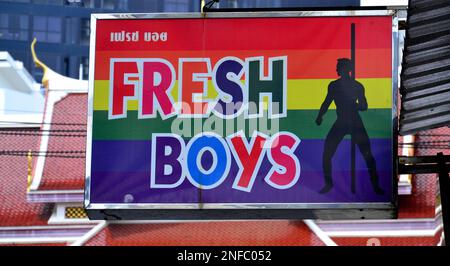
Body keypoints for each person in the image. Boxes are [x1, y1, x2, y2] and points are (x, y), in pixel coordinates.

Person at [315, 58, 384, 195]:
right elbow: (326, 102)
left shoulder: (357, 86)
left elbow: (364, 106)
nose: (336, 69)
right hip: (341, 122)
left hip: (355, 122)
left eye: (338, 67)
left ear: (344, 69)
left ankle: (375, 185)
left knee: (368, 155)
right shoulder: (334, 85)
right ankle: (328, 184)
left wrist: (353, 105)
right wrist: (320, 116)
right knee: (327, 152)